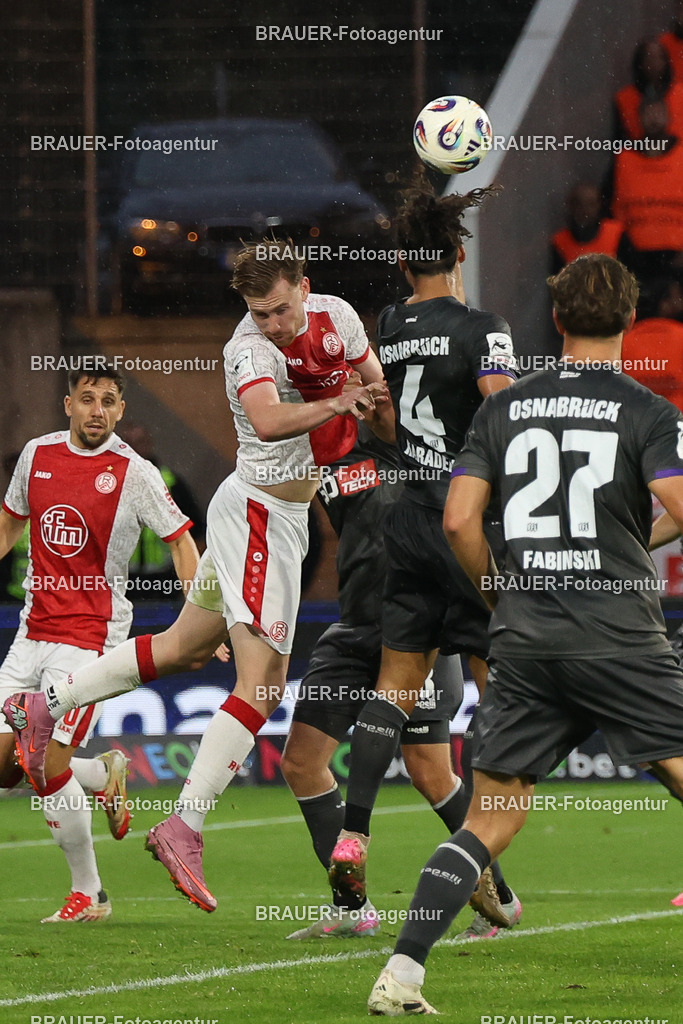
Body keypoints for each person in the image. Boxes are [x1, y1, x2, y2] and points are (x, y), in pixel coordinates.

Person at [3, 239, 393, 913]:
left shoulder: (338, 316)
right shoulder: (247, 349)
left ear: (304, 284)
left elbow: (376, 392)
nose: (269, 323)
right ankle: (185, 825)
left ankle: (46, 705)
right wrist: (337, 404)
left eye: (276, 309)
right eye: (255, 312)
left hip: (273, 515)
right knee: (262, 686)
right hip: (261, 513)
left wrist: (384, 423)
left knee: (182, 647)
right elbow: (269, 421)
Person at [367, 253, 683, 1015]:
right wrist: (638, 543)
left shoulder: (502, 410)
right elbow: (678, 502)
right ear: (629, 321)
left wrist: (498, 590)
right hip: (617, 636)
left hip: (526, 638)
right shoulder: (647, 410)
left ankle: (402, 972)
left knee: (490, 818)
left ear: (556, 321)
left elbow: (457, 519)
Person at [325, 183, 520, 932]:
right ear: (460, 254)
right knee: (495, 678)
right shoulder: (485, 326)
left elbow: (428, 328)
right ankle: (482, 868)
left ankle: (354, 832)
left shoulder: (391, 322)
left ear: (405, 261)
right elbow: (497, 399)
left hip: (401, 518)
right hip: (464, 517)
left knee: (394, 684)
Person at [282, 425, 510, 941]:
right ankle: (352, 906)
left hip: (416, 637)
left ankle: (500, 892)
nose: (376, 392)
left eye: (386, 384)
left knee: (430, 771)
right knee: (300, 761)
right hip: (353, 627)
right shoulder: (328, 454)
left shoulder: (433, 451)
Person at [0, 366, 199, 922]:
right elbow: (9, 523)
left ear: (119, 411)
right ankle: (101, 772)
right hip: (30, 632)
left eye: (107, 401)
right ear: (67, 404)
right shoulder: (36, 456)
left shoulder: (134, 473)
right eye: (86, 399)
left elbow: (182, 542)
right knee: (4, 770)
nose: (96, 410)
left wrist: (203, 617)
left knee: (42, 761)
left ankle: (90, 893)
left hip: (89, 640)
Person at [614, 39, 683, 141]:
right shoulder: (624, 98)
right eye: (649, 57)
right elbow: (619, 139)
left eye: (659, 57)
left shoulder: (680, 93)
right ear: (640, 63)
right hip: (638, 152)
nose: (654, 62)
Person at [551, 183, 624, 273]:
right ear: (571, 206)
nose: (585, 210)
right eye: (580, 204)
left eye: (591, 204)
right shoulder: (560, 242)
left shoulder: (616, 233)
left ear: (599, 205)